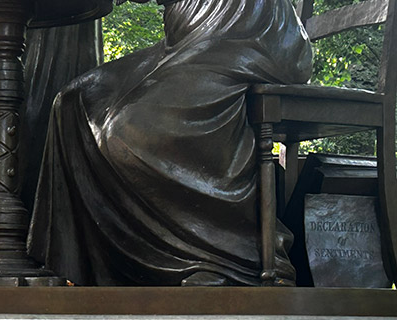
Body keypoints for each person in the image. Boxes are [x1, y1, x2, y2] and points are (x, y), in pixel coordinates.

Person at [27, 0, 312, 286]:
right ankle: (94, 269)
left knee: (131, 126)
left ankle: (230, 258)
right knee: (73, 101)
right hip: (185, 39)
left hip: (243, 30)